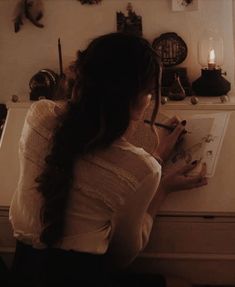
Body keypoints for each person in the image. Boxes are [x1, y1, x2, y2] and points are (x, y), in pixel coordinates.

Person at [9, 32, 207, 287]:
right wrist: (163, 186)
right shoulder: (143, 168)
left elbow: (85, 155)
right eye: (149, 92)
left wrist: (152, 159)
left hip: (25, 273)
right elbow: (122, 257)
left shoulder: (38, 116)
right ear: (139, 97)